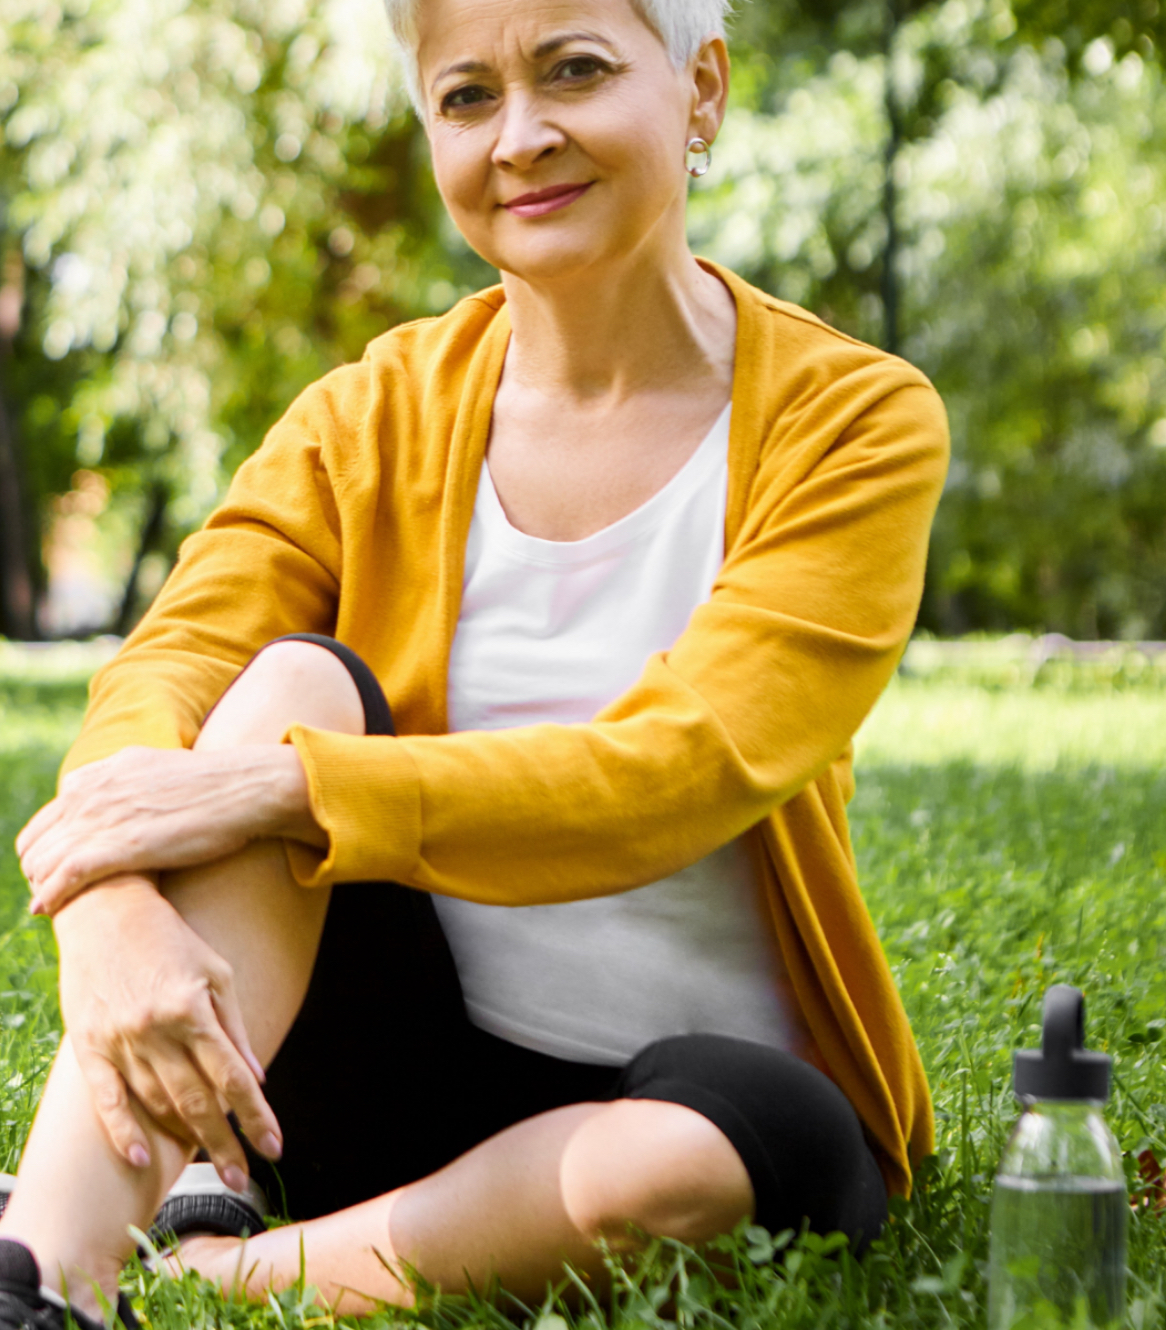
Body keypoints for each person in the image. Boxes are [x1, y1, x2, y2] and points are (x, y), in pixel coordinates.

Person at [0, 0, 949, 1323]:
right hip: (387, 1073)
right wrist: (107, 901)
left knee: (693, 1160)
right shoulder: (368, 410)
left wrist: (285, 792)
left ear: (700, 90)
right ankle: (41, 1277)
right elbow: (168, 668)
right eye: (465, 97)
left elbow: (680, 765)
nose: (521, 137)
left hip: (702, 1095)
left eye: (574, 71)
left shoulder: (854, 420)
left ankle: (231, 1266)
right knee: (286, 684)